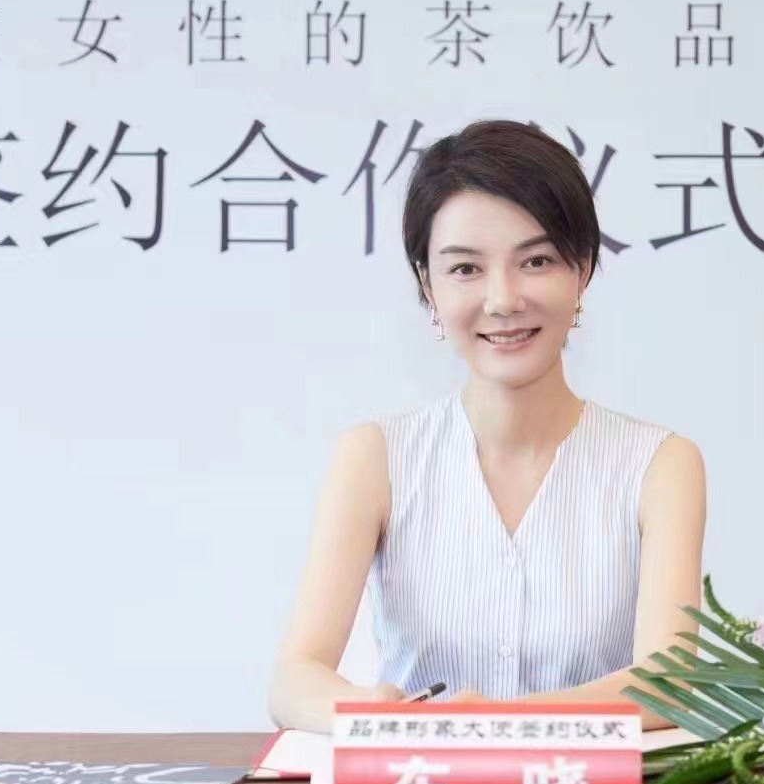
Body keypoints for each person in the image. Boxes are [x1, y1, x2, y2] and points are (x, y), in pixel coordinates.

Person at [267, 120, 706, 734]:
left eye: (536, 261)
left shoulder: (660, 463)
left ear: (582, 270)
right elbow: (294, 680)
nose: (503, 300)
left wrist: (497, 722)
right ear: (427, 285)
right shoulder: (375, 456)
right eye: (466, 269)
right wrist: (369, 713)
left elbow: (669, 685)